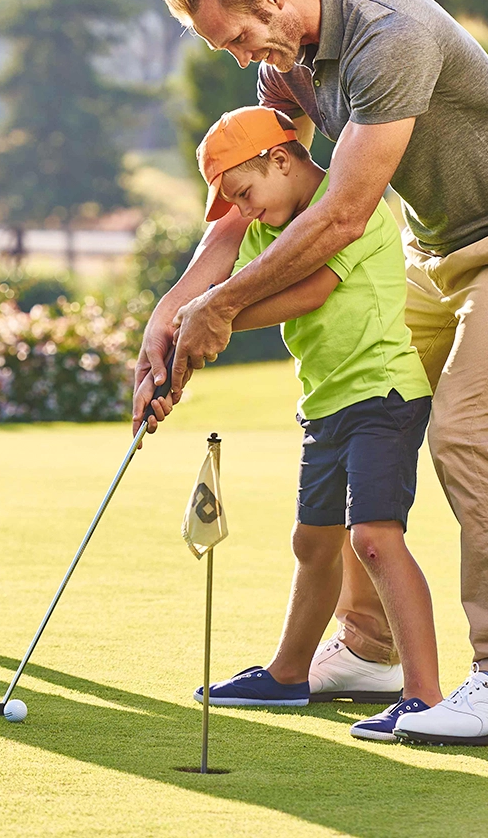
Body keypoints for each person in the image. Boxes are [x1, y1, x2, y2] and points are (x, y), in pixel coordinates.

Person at [138, 0, 488, 745]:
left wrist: (224, 310)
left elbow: (340, 215)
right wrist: (175, 308)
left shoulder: (392, 36)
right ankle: (368, 651)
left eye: (238, 37)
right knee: (364, 401)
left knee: (462, 433)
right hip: (439, 251)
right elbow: (263, 197)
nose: (243, 58)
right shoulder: (289, 61)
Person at [157, 106, 443, 742]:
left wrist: (217, 319)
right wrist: (179, 330)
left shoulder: (356, 207)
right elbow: (221, 273)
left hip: (383, 394)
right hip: (324, 404)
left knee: (373, 537)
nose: (246, 210)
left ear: (279, 160)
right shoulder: (270, 228)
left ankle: (425, 695)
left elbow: (311, 289)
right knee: (313, 543)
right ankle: (288, 674)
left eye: (245, 193)